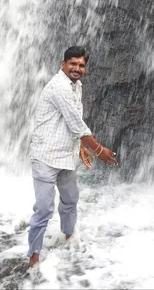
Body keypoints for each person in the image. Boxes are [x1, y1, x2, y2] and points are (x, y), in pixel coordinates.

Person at [28, 46, 118, 267]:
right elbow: (78, 125)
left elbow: (71, 122)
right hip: (45, 157)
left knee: (70, 199)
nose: (77, 68)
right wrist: (100, 151)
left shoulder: (77, 86)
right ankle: (34, 258)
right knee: (44, 209)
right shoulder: (59, 87)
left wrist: (80, 147)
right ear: (63, 65)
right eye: (73, 64)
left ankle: (69, 237)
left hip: (66, 155)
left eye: (81, 65)